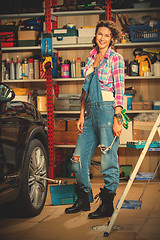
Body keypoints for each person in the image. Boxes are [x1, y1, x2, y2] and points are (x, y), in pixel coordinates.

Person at [65, 20, 125, 219]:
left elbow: (120, 91)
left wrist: (118, 117)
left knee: (108, 159)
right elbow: (85, 90)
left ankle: (108, 204)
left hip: (108, 113)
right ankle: (83, 199)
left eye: (107, 35)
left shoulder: (116, 59)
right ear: (96, 35)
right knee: (77, 159)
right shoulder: (91, 58)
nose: (103, 38)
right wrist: (81, 115)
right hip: (89, 113)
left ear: (112, 39)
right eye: (100, 34)